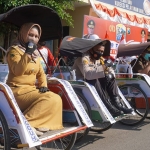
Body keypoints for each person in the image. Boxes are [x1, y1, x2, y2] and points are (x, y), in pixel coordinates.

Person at [6, 23, 63, 136]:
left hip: (30, 90)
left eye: (36, 36)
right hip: (16, 91)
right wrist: (27, 53)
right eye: (30, 35)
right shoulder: (14, 50)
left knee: (56, 98)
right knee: (48, 99)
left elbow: (41, 72)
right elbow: (18, 70)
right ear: (23, 34)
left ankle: (34, 124)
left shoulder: (36, 53)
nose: (33, 38)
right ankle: (22, 127)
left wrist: (43, 86)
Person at [72, 40, 133, 117]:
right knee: (94, 79)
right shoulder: (84, 58)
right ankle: (107, 105)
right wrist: (104, 67)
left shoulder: (99, 58)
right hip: (81, 82)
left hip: (91, 82)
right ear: (91, 49)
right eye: (98, 50)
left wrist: (110, 73)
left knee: (110, 77)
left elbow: (109, 69)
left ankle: (116, 103)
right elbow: (88, 74)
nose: (100, 53)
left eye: (101, 51)